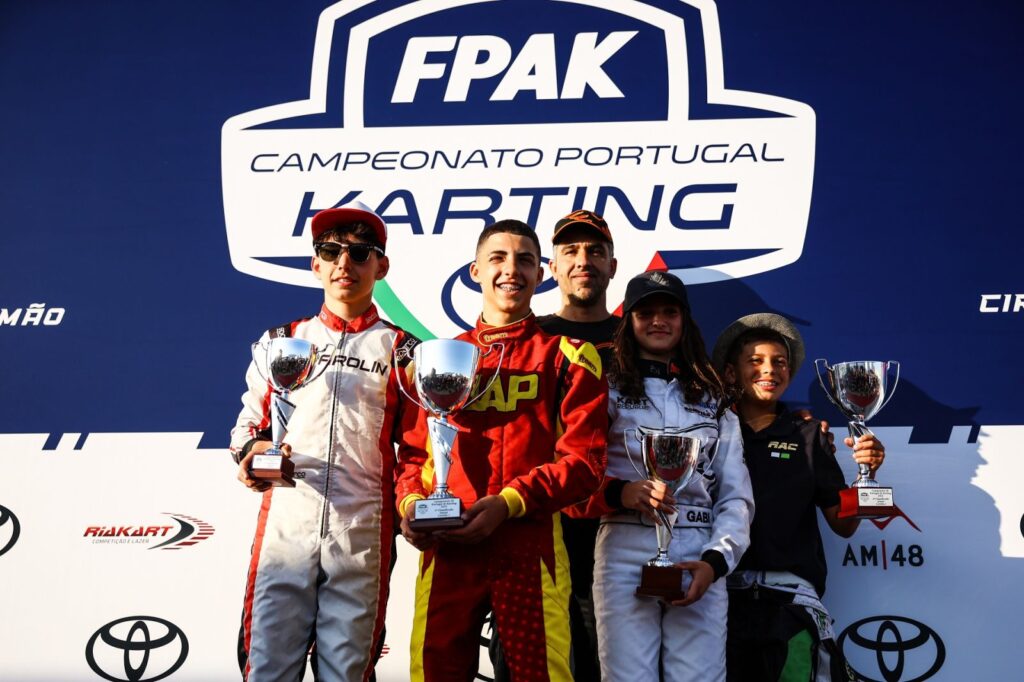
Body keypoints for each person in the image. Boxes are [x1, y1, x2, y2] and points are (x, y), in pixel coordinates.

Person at [395, 219, 609, 681]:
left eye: (524, 260)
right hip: (448, 547)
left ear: (540, 274)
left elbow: (585, 464)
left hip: (530, 546)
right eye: (498, 258)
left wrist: (509, 503)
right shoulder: (434, 358)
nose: (511, 269)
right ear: (474, 271)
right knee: (433, 674)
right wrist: (412, 506)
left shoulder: (567, 355)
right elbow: (414, 456)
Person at [229, 201, 419, 682]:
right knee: (267, 669)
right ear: (315, 264)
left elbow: (418, 448)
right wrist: (254, 455)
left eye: (360, 252)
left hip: (362, 529)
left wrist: (411, 503)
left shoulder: (403, 349)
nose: (344, 263)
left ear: (381, 266)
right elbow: (248, 427)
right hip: (287, 524)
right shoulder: (281, 339)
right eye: (331, 251)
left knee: (346, 673)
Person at [582, 270, 754, 681]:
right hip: (624, 543)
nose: (658, 321)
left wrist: (715, 562)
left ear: (684, 321)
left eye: (669, 312)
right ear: (628, 322)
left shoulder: (715, 399)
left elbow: (736, 496)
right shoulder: (603, 390)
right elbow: (578, 475)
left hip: (698, 549)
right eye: (646, 313)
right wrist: (620, 492)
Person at [711, 313, 886, 681]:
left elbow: (844, 523)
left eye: (779, 362)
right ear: (730, 373)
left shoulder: (808, 434)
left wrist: (866, 475)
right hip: (716, 603)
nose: (769, 370)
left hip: (788, 607)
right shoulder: (708, 431)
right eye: (755, 360)